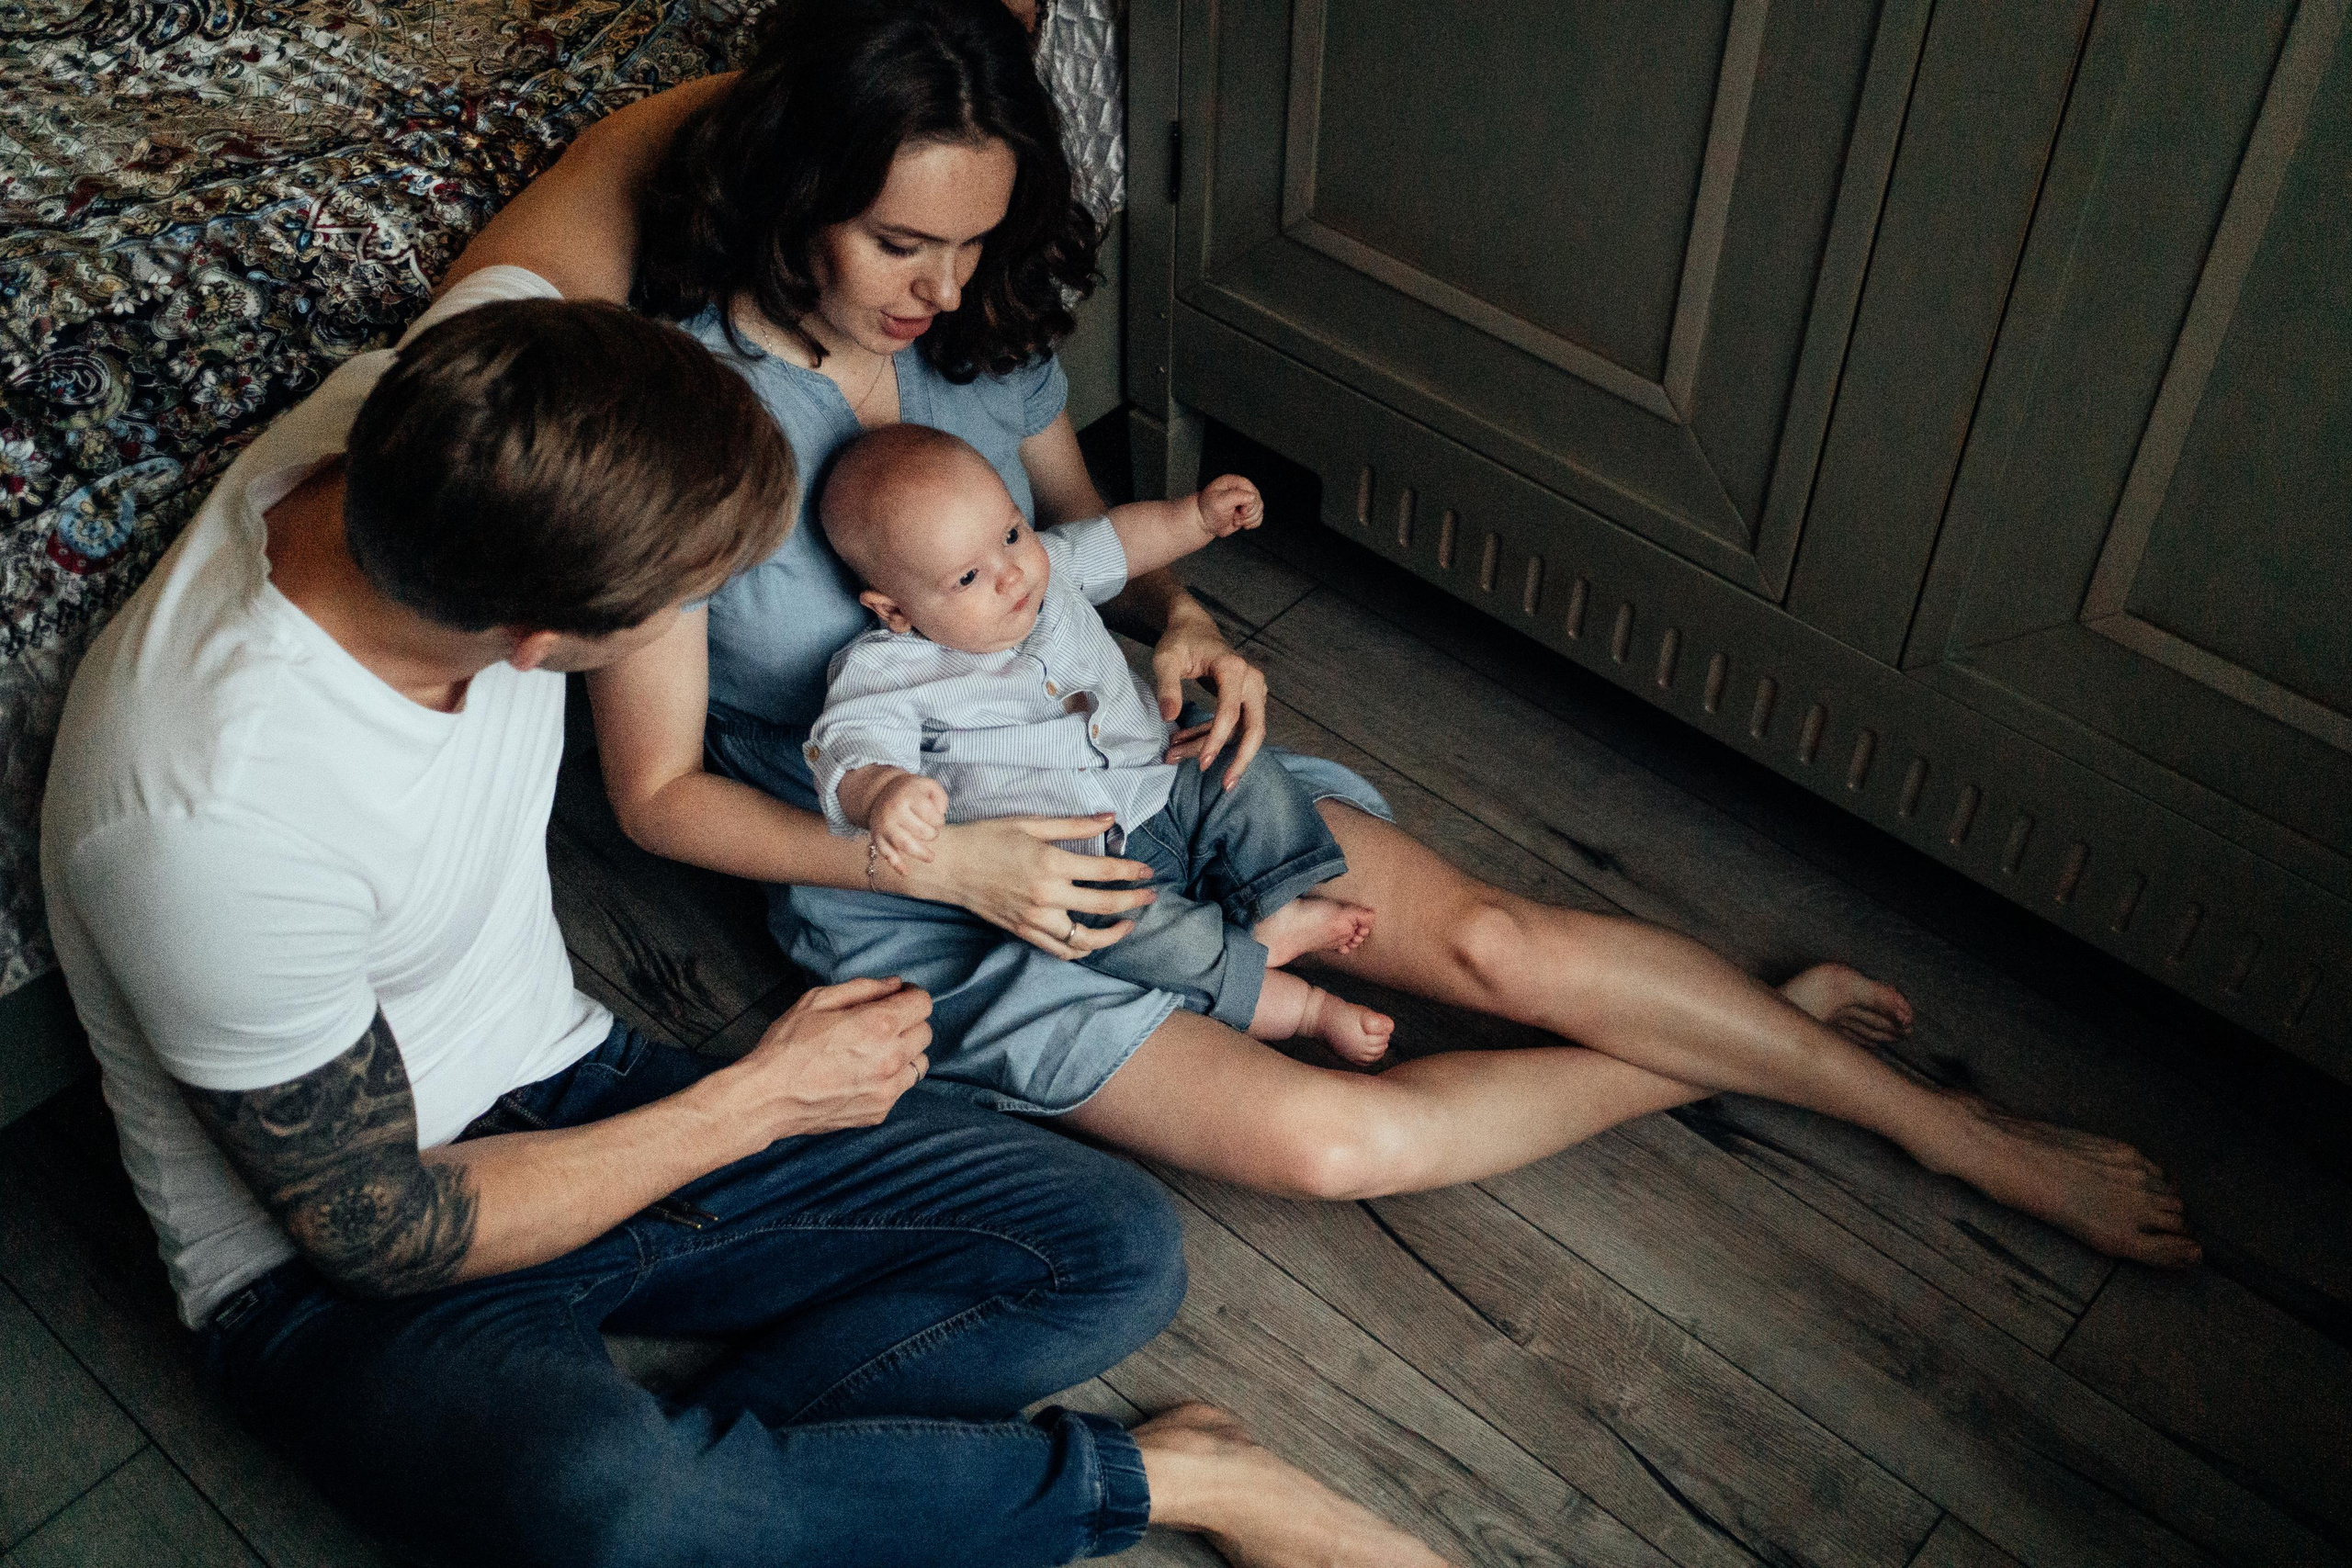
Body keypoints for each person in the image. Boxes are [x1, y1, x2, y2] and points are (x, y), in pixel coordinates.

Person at [451, 0, 2197, 1280]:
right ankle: (1747, 1045)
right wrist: (955, 864)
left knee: (1496, 942)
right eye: (900, 241)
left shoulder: (973, 338)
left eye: (973, 244)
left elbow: (1102, 541)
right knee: (1341, 1134)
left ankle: (1947, 1130)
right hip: (934, 894)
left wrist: (1192, 622)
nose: (942, 289)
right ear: (789, 190)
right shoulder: (682, 417)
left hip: (1129, 770)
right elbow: (659, 797)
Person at [39, 279, 1455, 1568]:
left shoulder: (454, 404)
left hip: (571, 1078)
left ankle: (766, 1509)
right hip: (339, 1274)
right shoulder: (207, 818)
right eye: (682, 607)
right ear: (541, 643)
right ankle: (1159, 1480)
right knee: (609, 1501)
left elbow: (611, 166)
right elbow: (381, 1232)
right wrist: (760, 1099)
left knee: (1112, 1244)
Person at [814, 424, 1394, 1061]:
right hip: (1081, 860)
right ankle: (1300, 1007)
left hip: (1161, 772)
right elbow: (851, 748)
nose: (1012, 575)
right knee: (1126, 936)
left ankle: (1275, 903)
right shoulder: (885, 671)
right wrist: (885, 792)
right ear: (895, 610)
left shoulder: (1049, 571)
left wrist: (1194, 518)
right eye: (969, 576)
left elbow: (1119, 540)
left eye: (1011, 534)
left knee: (1238, 768)